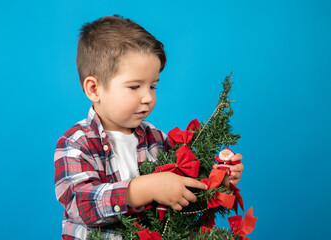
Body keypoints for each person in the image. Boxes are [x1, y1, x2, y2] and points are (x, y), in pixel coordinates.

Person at [54, 15, 244, 240]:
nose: (147, 98)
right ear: (94, 89)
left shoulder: (156, 139)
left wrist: (216, 181)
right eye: (135, 86)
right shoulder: (76, 142)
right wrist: (143, 189)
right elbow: (78, 202)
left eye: (153, 86)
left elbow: (179, 195)